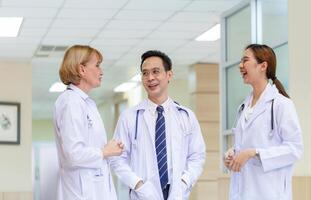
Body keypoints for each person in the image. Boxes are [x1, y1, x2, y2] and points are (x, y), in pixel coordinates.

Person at [110, 50, 206, 200]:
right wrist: (138, 185)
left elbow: (197, 156)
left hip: (177, 193)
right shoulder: (129, 117)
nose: (150, 78)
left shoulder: (186, 116)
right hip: (143, 194)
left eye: (156, 72)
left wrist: (184, 182)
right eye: (145, 73)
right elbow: (117, 159)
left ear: (169, 75)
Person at [224, 44, 303, 200]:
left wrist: (254, 153)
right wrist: (233, 154)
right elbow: (246, 144)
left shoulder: (281, 104)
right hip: (241, 192)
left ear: (263, 66)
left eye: (245, 60)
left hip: (269, 193)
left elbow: (295, 149)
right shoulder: (243, 107)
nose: (240, 66)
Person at [53, 45, 124, 200]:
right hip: (80, 193)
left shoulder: (86, 103)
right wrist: (105, 151)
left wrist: (110, 151)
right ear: (81, 70)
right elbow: (73, 154)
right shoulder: (71, 102)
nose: (101, 71)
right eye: (97, 65)